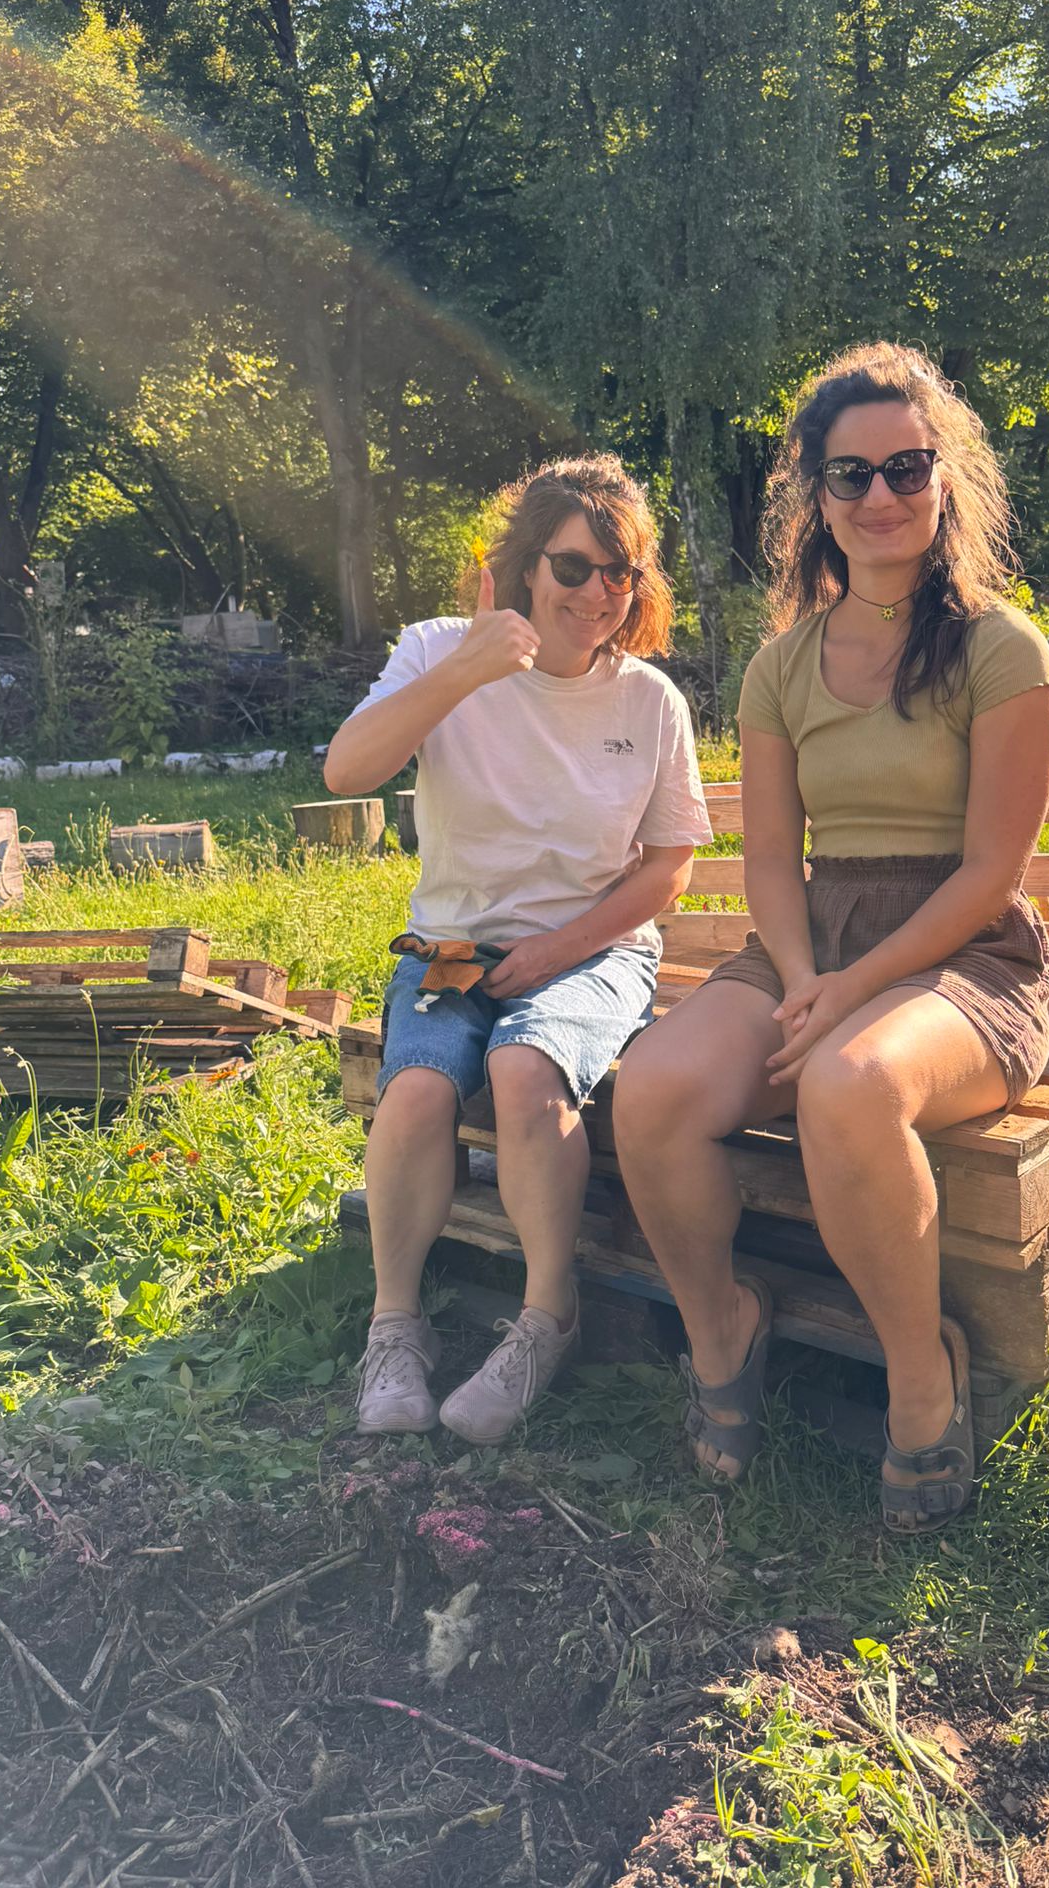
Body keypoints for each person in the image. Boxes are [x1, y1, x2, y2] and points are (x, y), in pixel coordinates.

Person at [613, 343, 1049, 1533]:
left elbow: (991, 872)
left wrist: (854, 987)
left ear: (944, 479)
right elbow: (771, 859)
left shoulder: (1001, 649)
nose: (880, 495)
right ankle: (724, 1327)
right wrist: (809, 977)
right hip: (811, 942)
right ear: (815, 493)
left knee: (850, 1084)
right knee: (650, 1089)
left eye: (906, 467)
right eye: (850, 473)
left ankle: (923, 1374)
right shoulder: (781, 666)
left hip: (965, 957)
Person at [324, 456, 711, 1441]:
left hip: (595, 950)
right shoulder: (437, 649)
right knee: (416, 1089)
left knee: (524, 1066)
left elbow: (668, 869)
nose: (598, 593)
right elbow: (347, 771)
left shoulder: (648, 700)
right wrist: (467, 668)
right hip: (451, 944)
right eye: (573, 568)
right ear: (524, 568)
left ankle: (547, 1319)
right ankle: (395, 1326)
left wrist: (556, 951)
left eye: (620, 572)